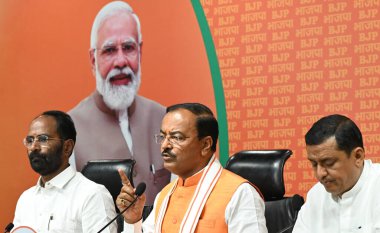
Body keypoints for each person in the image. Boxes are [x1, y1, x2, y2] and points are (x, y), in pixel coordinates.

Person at [68, 1, 170, 206]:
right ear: (93, 60)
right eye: (109, 50)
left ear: (139, 52)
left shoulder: (164, 118)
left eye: (129, 48)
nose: (121, 61)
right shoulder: (70, 129)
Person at [116, 103, 268, 232]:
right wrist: (133, 220)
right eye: (163, 137)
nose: (164, 146)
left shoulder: (240, 193)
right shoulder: (165, 194)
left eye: (176, 137)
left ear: (205, 144)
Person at [13, 110, 117, 233]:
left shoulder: (92, 195)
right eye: (30, 140)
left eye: (43, 139)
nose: (34, 147)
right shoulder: (26, 199)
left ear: (67, 147)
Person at [293, 114, 380, 232]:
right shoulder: (316, 195)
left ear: (358, 156)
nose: (319, 174)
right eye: (314, 164)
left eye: (329, 163)